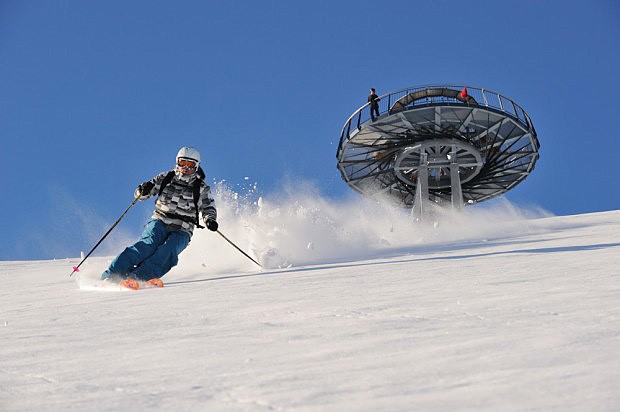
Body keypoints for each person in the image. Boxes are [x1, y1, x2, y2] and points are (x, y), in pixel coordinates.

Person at [101, 146, 218, 288]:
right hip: (160, 220)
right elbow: (142, 195)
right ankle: (112, 275)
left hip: (183, 228)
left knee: (168, 251)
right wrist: (143, 190)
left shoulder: (201, 187)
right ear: (177, 162)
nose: (185, 168)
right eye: (182, 163)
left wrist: (210, 220)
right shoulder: (165, 178)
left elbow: (208, 207)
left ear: (196, 166)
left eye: (190, 165)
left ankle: (137, 278)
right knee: (147, 246)